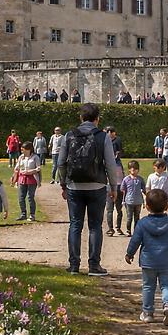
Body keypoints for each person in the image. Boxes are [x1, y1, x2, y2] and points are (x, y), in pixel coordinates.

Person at [57, 103, 121, 276]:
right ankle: (94, 265)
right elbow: (110, 164)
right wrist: (114, 187)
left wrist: (64, 184)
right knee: (95, 226)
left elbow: (61, 163)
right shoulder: (103, 137)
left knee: (75, 225)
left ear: (81, 118)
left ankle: (74, 265)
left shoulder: (69, 135)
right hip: (97, 185)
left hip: (74, 186)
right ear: (97, 119)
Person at [125, 188, 168, 326]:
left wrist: (130, 254)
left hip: (148, 261)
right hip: (166, 261)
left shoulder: (142, 223)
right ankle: (167, 306)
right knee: (167, 285)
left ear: (146, 207)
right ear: (166, 206)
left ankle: (147, 313)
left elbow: (135, 240)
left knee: (148, 286)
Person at [12, 142, 41, 221]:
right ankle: (23, 214)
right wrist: (14, 175)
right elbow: (16, 167)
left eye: (23, 149)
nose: (21, 150)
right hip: (22, 179)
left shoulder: (35, 157)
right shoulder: (21, 157)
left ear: (29, 149)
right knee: (21, 197)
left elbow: (38, 168)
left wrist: (30, 171)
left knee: (30, 197)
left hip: (32, 179)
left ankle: (32, 215)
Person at [119, 162, 146, 236]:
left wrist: (145, 201)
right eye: (132, 169)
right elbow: (123, 190)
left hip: (138, 201)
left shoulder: (140, 179)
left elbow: (144, 190)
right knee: (129, 217)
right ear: (129, 170)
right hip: (129, 201)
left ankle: (136, 231)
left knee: (137, 217)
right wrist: (123, 201)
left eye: (136, 169)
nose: (134, 171)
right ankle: (128, 230)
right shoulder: (126, 179)